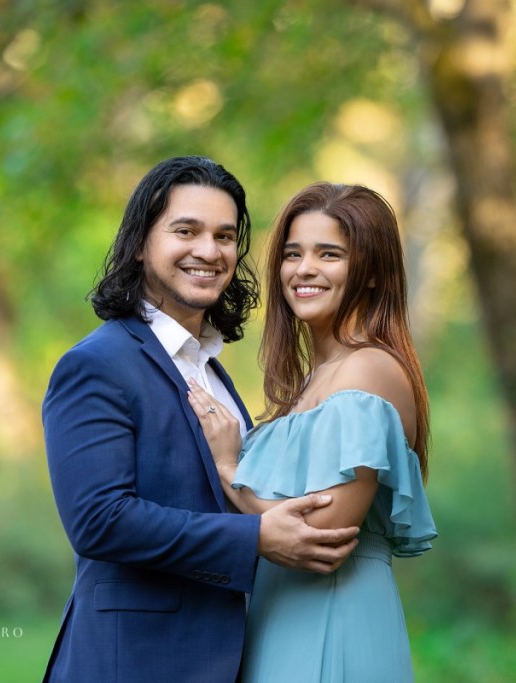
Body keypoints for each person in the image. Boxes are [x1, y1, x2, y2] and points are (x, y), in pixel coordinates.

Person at [41, 158, 361, 683]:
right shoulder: (97, 364)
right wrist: (255, 538)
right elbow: (99, 520)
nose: (209, 252)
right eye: (186, 231)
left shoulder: (210, 369)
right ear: (140, 243)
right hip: (132, 664)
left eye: (225, 236)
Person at [186, 181, 437, 682]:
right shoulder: (313, 381)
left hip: (334, 614)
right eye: (293, 253)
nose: (304, 269)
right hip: (280, 613)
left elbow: (322, 536)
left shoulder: (369, 370)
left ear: (371, 272)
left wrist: (229, 467)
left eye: (330, 254)